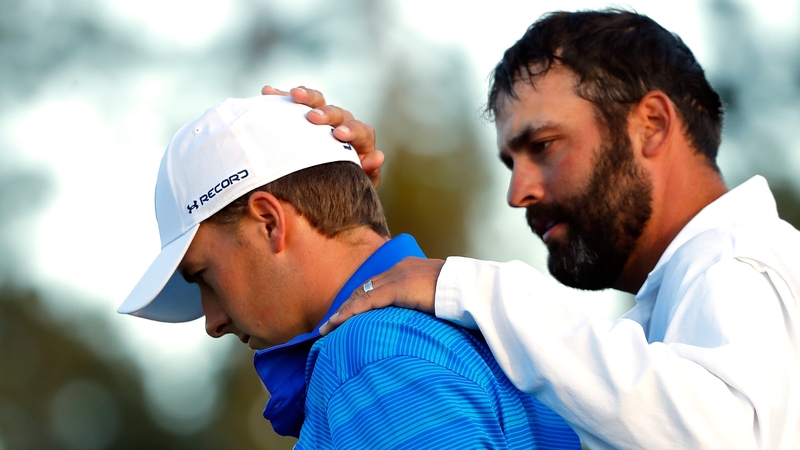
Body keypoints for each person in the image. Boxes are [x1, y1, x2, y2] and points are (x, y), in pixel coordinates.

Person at [287, 9, 800, 450]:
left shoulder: (736, 264)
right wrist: (338, 200)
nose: (518, 193)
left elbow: (720, 437)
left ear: (652, 125)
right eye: (511, 163)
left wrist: (471, 289)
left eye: (544, 146)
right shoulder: (690, 297)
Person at [118, 95, 582, 448]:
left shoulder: (370, 357)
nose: (213, 321)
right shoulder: (477, 334)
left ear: (269, 222)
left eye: (204, 276)